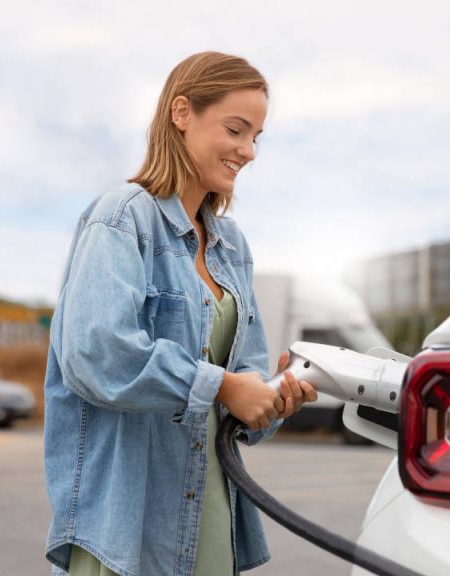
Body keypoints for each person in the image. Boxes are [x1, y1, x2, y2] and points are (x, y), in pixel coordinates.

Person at [43, 51, 317, 576]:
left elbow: (244, 387)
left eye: (256, 137)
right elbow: (96, 353)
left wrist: (272, 397)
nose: (248, 151)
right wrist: (220, 387)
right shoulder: (122, 218)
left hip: (209, 516)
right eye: (236, 130)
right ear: (182, 112)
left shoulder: (232, 245)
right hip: (127, 530)